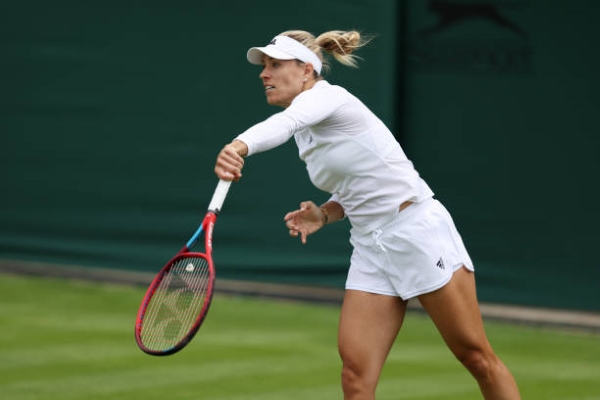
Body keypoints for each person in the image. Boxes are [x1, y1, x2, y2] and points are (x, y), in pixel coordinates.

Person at [214, 29, 520, 400]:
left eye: (275, 64)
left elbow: (283, 124)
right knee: (356, 376)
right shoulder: (306, 129)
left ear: (307, 70)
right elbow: (359, 186)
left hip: (416, 230)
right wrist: (324, 214)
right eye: (263, 66)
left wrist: (237, 147)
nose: (264, 74)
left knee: (475, 356)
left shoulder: (328, 98)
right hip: (371, 246)